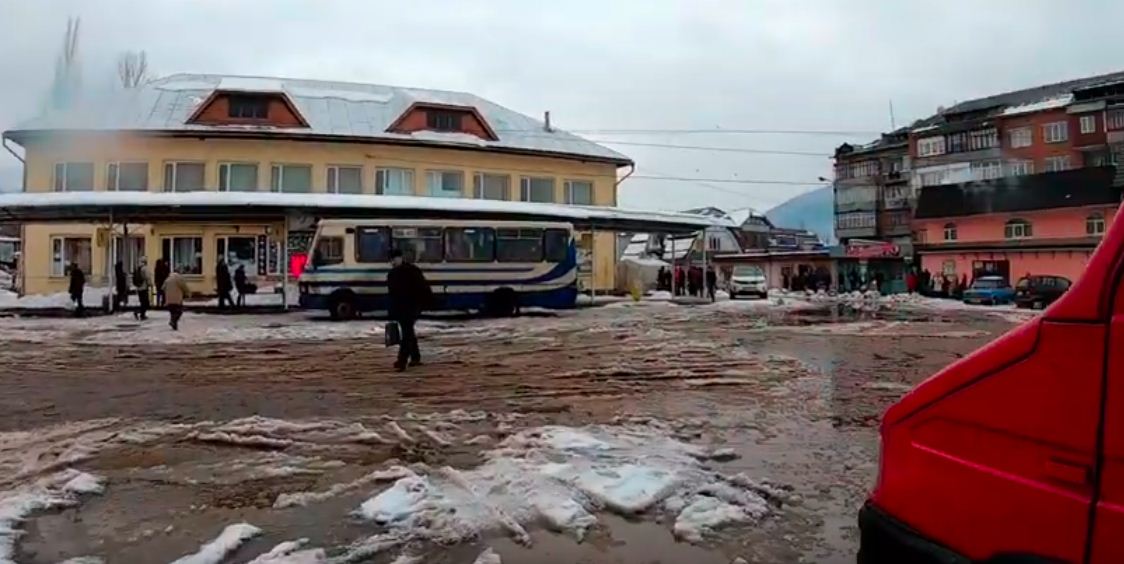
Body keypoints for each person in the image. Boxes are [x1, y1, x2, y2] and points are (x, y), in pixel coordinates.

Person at [387, 248, 432, 372]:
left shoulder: (410, 271)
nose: (393, 262)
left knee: (406, 334)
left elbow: (422, 288)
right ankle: (415, 357)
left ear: (400, 258)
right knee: (408, 332)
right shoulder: (394, 273)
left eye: (394, 259)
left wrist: (421, 303)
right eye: (391, 260)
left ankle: (402, 360)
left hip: (411, 307)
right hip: (403, 307)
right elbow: (392, 295)